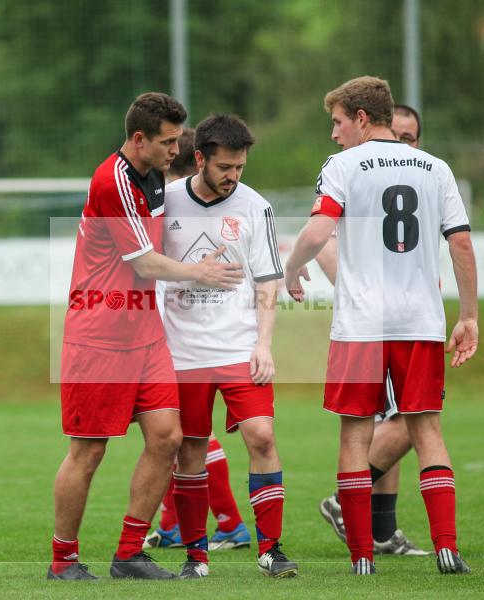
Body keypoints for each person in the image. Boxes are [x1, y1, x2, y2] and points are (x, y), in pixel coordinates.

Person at [284, 76, 478, 575]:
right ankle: (447, 548)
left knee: (355, 434)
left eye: (338, 122)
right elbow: (460, 244)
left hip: (361, 325)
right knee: (427, 429)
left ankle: (362, 557)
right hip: (420, 321)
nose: (334, 134)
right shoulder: (436, 167)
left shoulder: (343, 166)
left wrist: (290, 267)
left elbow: (320, 229)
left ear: (362, 119)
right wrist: (470, 316)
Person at [50, 93, 244, 581]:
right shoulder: (111, 180)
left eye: (179, 140)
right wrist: (200, 273)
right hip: (99, 335)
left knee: (167, 438)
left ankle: (129, 553)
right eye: (166, 141)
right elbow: (143, 263)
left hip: (145, 332)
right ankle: (63, 560)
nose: (175, 150)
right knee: (89, 452)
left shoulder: (156, 172)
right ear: (139, 139)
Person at [161, 114, 297, 578]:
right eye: (225, 168)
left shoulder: (255, 206)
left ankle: (271, 550)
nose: (233, 177)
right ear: (199, 158)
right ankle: (195, 556)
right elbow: (143, 262)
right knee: (191, 448)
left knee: (262, 435)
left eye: (240, 168)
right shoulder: (168, 200)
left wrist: (264, 344)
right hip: (182, 351)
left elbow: (267, 281)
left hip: (240, 348)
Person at [316, 104, 429, 557]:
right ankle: (344, 501)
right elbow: (324, 238)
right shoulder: (353, 174)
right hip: (376, 322)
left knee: (394, 419)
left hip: (409, 316)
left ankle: (382, 532)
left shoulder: (418, 178)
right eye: (398, 134)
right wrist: (362, 294)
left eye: (412, 137)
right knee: (408, 420)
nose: (405, 144)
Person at [146, 128, 253, 552]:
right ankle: (176, 524)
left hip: (178, 337)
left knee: (182, 437)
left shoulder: (172, 202)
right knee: (174, 439)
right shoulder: (165, 200)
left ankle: (228, 523)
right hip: (166, 330)